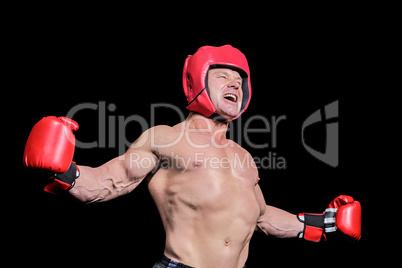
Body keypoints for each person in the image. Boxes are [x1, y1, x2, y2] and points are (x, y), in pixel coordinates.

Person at [24, 45, 361, 268]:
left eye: (240, 79)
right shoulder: (165, 137)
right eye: (223, 76)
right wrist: (63, 171)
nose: (235, 83)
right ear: (197, 81)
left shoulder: (243, 157)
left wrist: (325, 224)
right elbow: (109, 182)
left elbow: (260, 217)